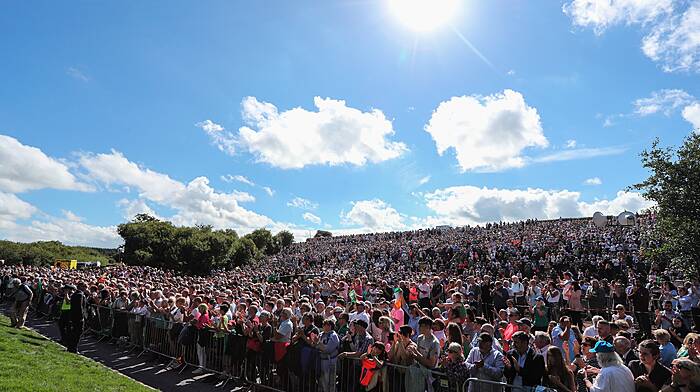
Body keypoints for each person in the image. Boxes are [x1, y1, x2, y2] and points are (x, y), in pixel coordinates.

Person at [317, 319, 340, 392]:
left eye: (328, 325)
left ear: (331, 326)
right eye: (324, 325)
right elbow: (315, 345)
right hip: (321, 361)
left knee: (331, 381)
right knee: (322, 381)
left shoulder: (333, 335)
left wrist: (319, 345)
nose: (325, 327)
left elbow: (328, 349)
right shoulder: (321, 334)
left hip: (330, 361)